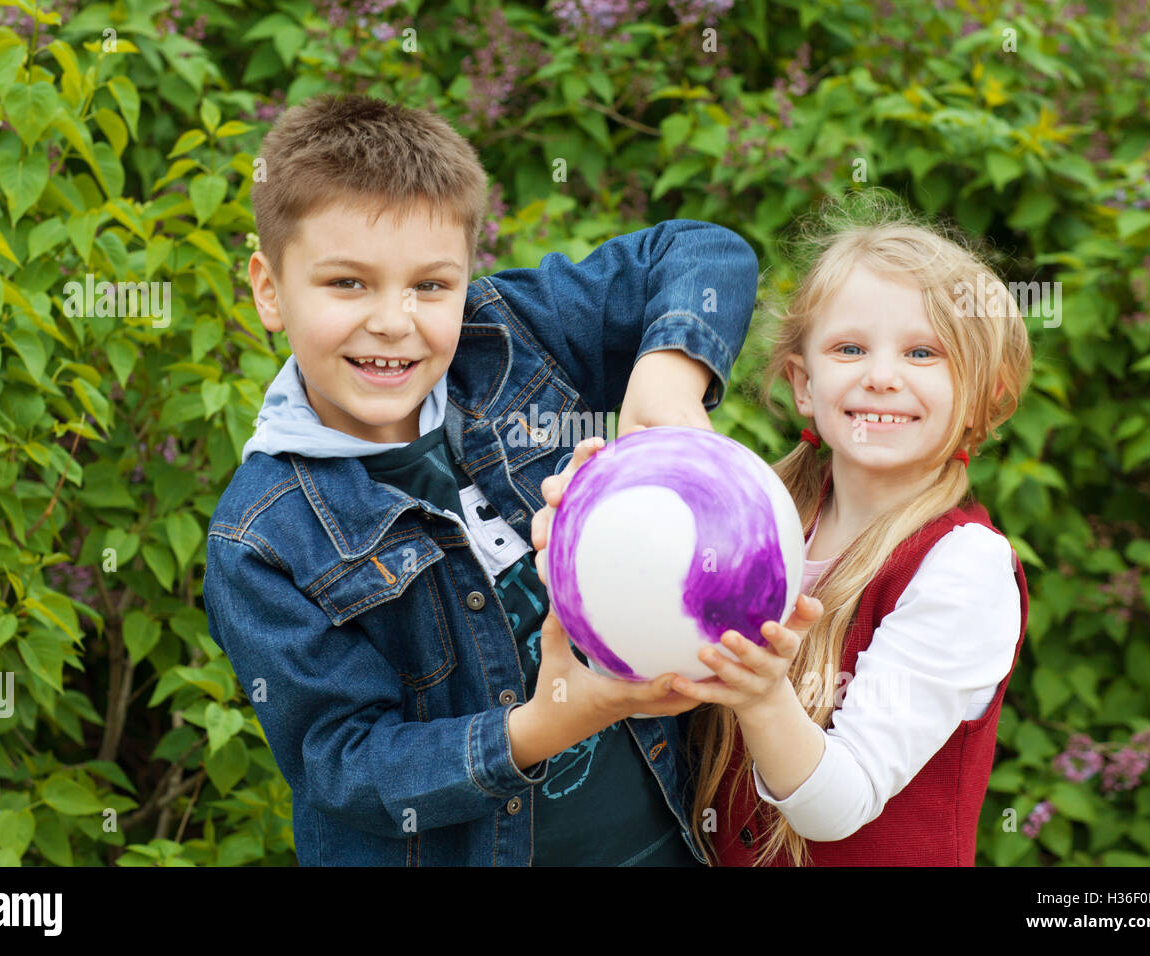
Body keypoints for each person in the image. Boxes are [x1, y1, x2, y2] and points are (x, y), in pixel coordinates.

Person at [201, 93, 759, 865]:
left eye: (431, 286)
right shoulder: (263, 536)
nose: (394, 320)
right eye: (347, 284)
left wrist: (666, 382)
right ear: (269, 289)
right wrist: (550, 722)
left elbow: (703, 252)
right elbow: (347, 765)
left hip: (669, 836)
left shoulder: (510, 335)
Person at [534, 194, 1033, 866]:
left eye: (923, 353)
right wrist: (593, 555)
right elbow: (655, 686)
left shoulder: (964, 569)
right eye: (849, 347)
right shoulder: (752, 514)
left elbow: (841, 806)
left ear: (985, 395)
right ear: (803, 383)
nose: (881, 377)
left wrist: (764, 696)